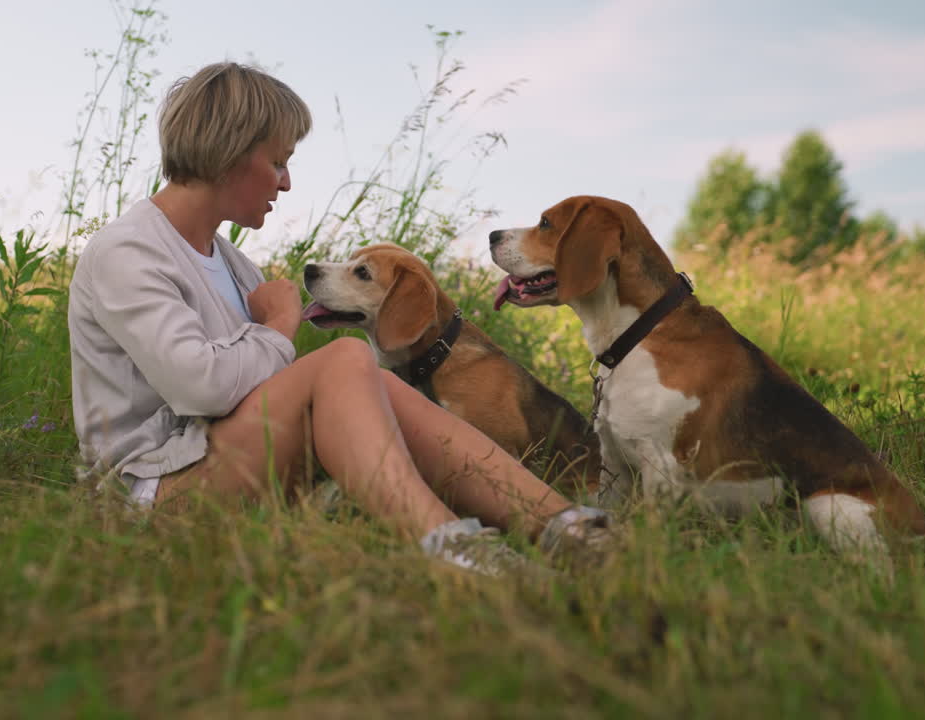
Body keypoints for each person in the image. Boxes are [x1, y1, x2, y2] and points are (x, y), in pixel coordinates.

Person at [68, 61, 612, 575]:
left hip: (218, 458)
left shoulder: (231, 263)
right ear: (231, 156)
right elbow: (204, 388)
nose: (285, 183)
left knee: (368, 376)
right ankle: (453, 549)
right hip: (151, 494)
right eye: (278, 162)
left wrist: (288, 346)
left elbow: (259, 387)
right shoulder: (129, 252)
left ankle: (572, 528)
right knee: (349, 357)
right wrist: (278, 326)